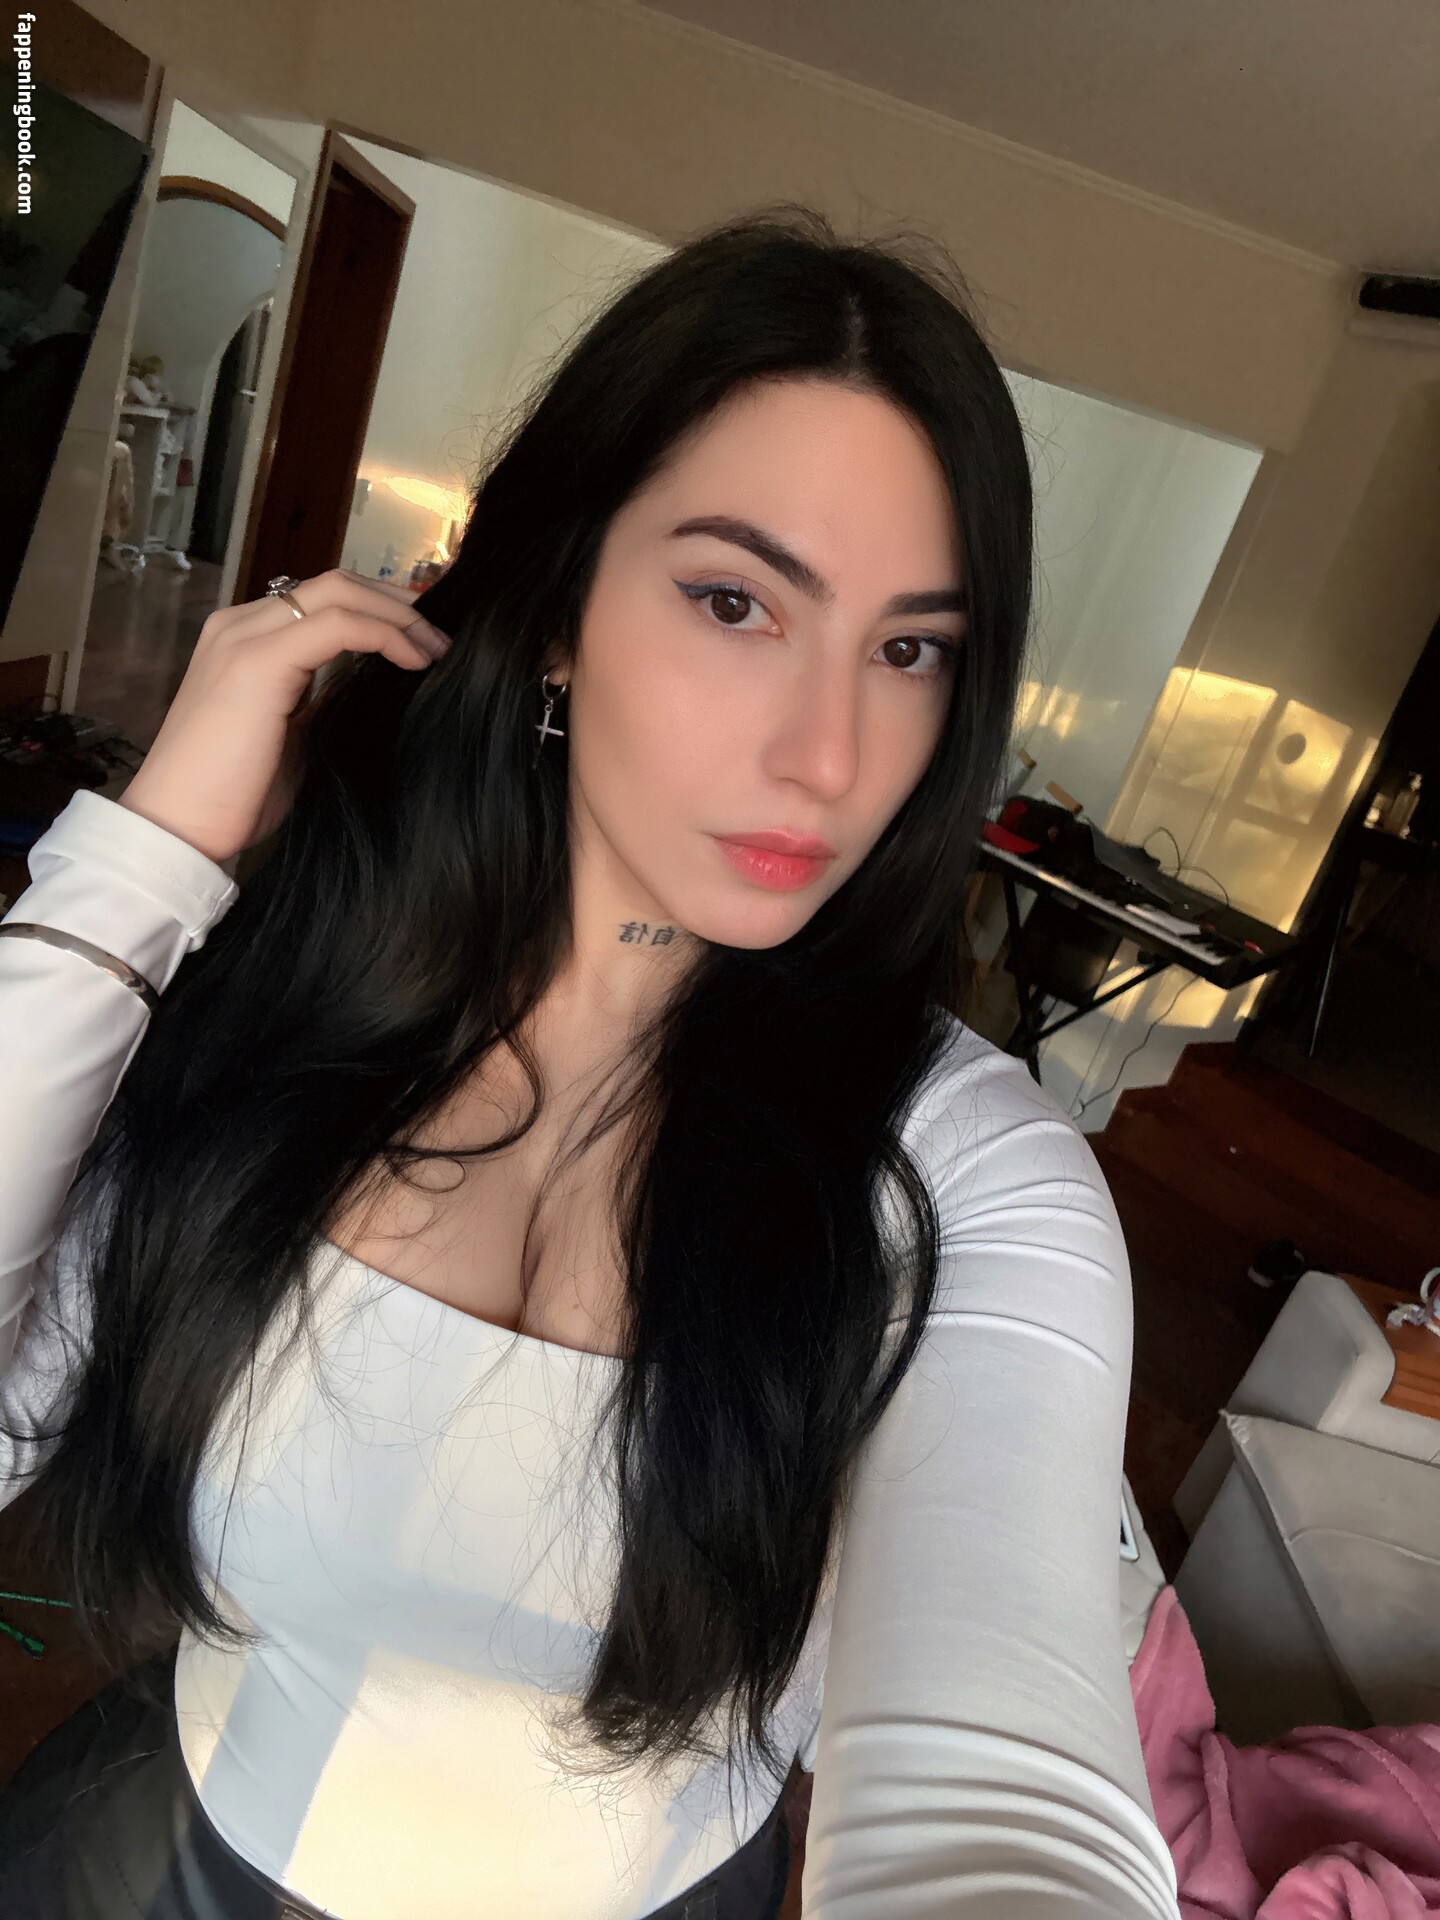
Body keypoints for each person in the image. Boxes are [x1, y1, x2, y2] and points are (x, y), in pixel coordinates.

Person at [0, 205, 1182, 1919]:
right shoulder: (289, 998)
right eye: (735, 601)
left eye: (909, 648)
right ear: (557, 605)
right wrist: (149, 852)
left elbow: (1005, 1795)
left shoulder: (969, 1181)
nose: (830, 755)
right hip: (156, 1862)